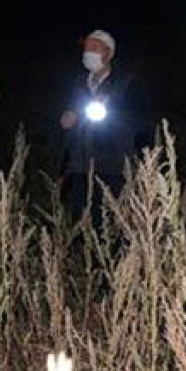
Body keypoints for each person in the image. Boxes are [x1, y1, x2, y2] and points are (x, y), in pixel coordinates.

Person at [59, 29, 147, 226]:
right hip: (80, 166)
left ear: (109, 53)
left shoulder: (127, 83)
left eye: (94, 47)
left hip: (113, 167)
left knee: (111, 223)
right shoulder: (78, 83)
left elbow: (141, 121)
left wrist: (113, 106)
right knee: (81, 223)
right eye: (86, 48)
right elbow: (70, 115)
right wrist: (67, 121)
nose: (88, 52)